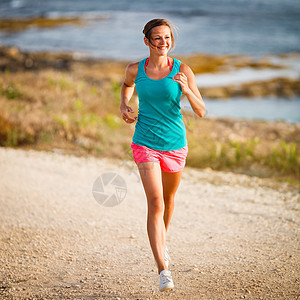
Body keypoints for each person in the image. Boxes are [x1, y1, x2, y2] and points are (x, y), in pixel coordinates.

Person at [120, 18, 205, 292]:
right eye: (157, 38)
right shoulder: (136, 69)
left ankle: (162, 244)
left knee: (168, 200)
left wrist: (187, 89)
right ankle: (163, 270)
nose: (163, 42)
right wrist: (124, 103)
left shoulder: (183, 69)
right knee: (155, 202)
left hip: (175, 144)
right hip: (144, 141)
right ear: (146, 41)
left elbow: (201, 110)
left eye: (167, 38)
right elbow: (127, 84)